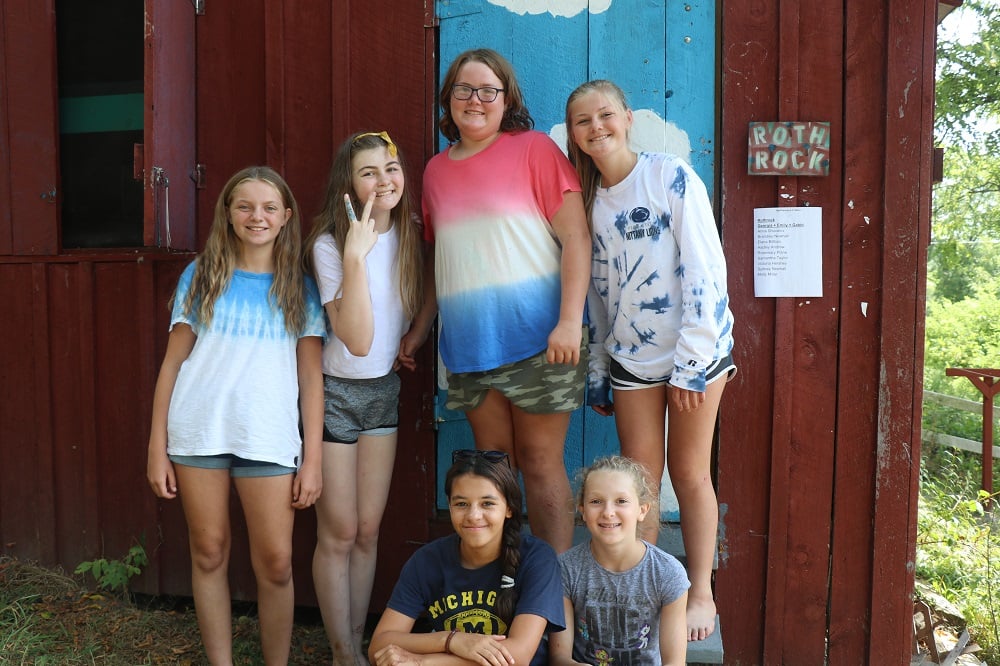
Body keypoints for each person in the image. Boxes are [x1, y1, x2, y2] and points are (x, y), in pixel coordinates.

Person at [400, 48, 592, 553]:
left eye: (489, 90)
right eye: (464, 89)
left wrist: (570, 321)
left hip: (541, 338)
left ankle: (554, 594)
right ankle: (505, 583)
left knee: (539, 460)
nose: (476, 100)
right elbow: (446, 261)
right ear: (449, 99)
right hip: (470, 345)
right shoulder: (435, 172)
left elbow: (576, 238)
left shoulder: (533, 150)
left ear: (507, 100)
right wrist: (421, 330)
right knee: (494, 467)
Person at [564, 79, 736, 641]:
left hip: (695, 354)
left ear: (628, 118)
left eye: (605, 115)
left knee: (689, 473)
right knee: (641, 484)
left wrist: (692, 362)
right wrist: (596, 369)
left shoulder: (669, 176)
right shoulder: (589, 202)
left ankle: (698, 593)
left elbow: (705, 268)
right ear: (574, 133)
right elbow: (594, 291)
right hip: (632, 360)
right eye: (583, 121)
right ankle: (646, 592)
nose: (596, 128)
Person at [146, 166, 326, 664]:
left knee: (276, 563)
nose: (257, 216)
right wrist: (156, 447)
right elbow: (172, 365)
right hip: (198, 431)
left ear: (287, 217)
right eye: (244, 206)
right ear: (227, 213)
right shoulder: (202, 274)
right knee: (208, 553)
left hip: (267, 436)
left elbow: (312, 381)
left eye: (269, 207)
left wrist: (312, 460)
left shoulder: (300, 287)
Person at [303, 130, 423, 665]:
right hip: (336, 395)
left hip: (383, 392)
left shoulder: (411, 236)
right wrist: (356, 256)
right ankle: (342, 652)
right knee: (341, 531)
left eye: (390, 169)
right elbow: (356, 339)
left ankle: (355, 637)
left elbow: (431, 289)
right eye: (368, 173)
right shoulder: (329, 245)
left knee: (369, 529)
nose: (383, 181)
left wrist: (415, 338)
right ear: (347, 185)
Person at [369, 449, 565, 666]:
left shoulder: (537, 558)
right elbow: (379, 645)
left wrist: (422, 662)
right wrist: (450, 640)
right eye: (461, 504)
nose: (473, 516)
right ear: (449, 505)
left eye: (487, 503)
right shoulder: (427, 560)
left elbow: (517, 657)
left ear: (509, 508)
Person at [550, 456, 689, 666]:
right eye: (596, 501)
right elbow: (559, 658)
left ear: (642, 510)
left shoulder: (667, 573)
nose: (608, 512)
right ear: (583, 511)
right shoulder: (566, 569)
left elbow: (675, 663)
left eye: (621, 501)